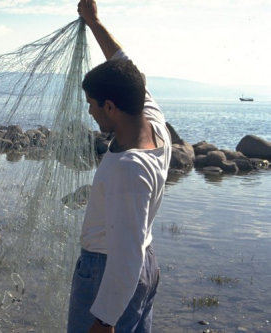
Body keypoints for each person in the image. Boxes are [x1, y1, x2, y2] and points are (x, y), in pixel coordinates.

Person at [67, 1, 172, 332]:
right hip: (146, 264)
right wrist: (95, 22)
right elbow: (123, 64)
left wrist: (104, 319)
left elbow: (125, 257)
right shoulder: (152, 119)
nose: (90, 113)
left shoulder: (128, 168)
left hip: (108, 271)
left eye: (93, 106)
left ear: (110, 106)